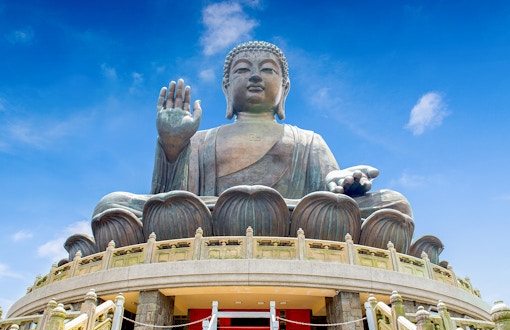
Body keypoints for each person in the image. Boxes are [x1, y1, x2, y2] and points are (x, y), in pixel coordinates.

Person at [91, 41, 412, 251]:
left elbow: (329, 199)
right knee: (111, 205)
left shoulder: (308, 141)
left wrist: (340, 186)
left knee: (395, 204)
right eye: (243, 70)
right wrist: (172, 145)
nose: (256, 76)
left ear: (285, 88)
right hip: (207, 221)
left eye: (268, 70)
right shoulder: (200, 140)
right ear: (226, 87)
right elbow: (169, 199)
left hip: (293, 221)